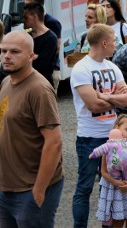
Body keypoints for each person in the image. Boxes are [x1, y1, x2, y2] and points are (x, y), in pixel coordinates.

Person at [71, 24, 127, 228]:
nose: (117, 44)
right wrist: (115, 98)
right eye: (114, 41)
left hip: (113, 138)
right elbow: (93, 105)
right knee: (85, 188)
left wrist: (105, 95)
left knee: (108, 188)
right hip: (89, 138)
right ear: (104, 43)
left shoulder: (112, 67)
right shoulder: (82, 69)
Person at [0, 31, 64, 228]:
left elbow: (54, 142)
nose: (6, 56)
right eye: (3, 51)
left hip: (30, 189)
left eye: (14, 51)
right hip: (7, 187)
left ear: (31, 56)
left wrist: (39, 189)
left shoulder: (39, 89)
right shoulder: (6, 82)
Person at [25, 0, 62, 91]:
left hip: (51, 68)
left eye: (29, 4)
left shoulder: (52, 23)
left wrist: (55, 68)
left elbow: (57, 47)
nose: (26, 7)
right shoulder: (29, 26)